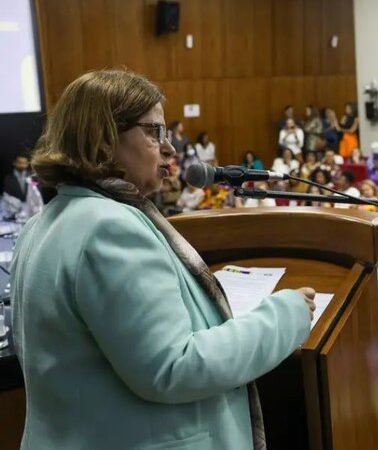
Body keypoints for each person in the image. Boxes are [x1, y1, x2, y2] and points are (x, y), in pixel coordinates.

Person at [12, 70, 316, 450]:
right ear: (104, 137)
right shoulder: (108, 227)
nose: (170, 148)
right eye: (154, 132)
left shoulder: (43, 223)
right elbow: (174, 367)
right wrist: (284, 316)